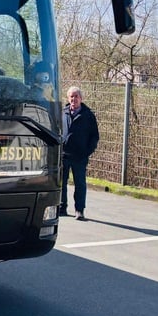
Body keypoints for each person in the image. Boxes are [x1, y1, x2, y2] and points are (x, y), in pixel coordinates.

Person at [60, 86, 99, 221]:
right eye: (71, 96)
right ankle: (62, 207)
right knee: (61, 183)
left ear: (81, 99)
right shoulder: (62, 113)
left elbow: (94, 136)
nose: (73, 99)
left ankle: (79, 210)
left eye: (76, 96)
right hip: (64, 155)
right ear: (68, 98)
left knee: (80, 184)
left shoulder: (88, 115)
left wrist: (87, 151)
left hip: (79, 156)